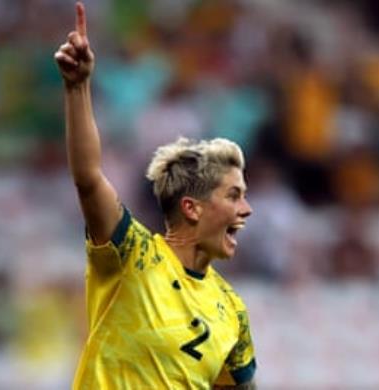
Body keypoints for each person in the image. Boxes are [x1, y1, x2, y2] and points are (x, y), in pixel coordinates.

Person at [54, 3, 257, 389]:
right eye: (233, 196)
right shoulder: (133, 255)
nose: (246, 209)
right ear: (192, 207)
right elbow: (88, 178)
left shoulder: (232, 311)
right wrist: (77, 88)